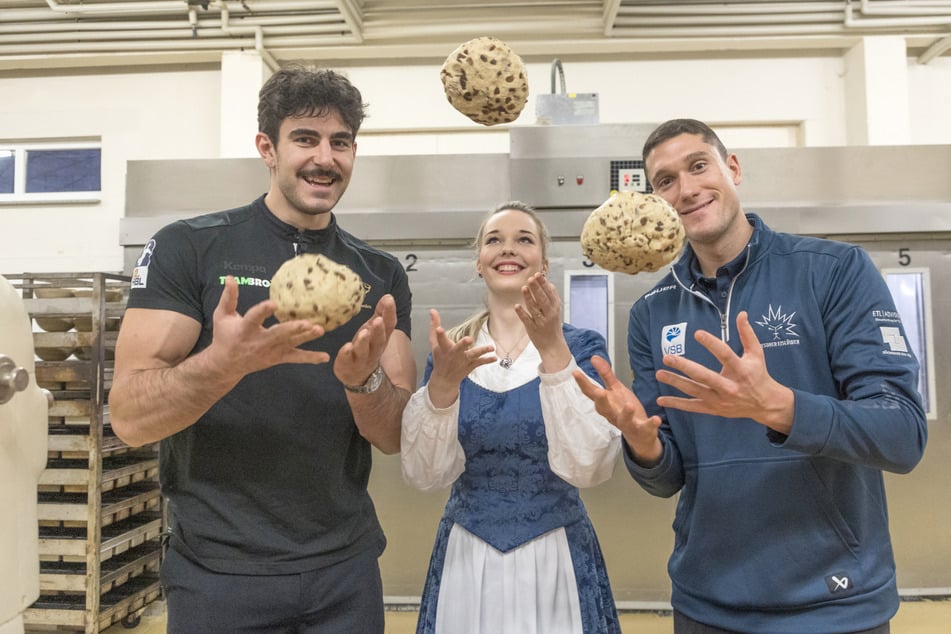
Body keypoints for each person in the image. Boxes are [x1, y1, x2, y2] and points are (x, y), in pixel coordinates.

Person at [574, 118, 928, 634]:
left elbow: (902, 434)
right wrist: (642, 443)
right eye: (665, 181)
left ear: (733, 168)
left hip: (834, 603)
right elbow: (667, 478)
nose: (686, 189)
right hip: (706, 604)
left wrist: (781, 408)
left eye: (698, 166)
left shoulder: (833, 270)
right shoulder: (652, 312)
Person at [109, 67, 416, 633]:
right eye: (305, 138)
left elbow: (397, 435)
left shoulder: (379, 274)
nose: (325, 158)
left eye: (340, 142)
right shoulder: (189, 248)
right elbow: (129, 416)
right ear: (267, 149)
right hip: (219, 573)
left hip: (344, 571)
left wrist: (364, 381)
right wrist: (220, 366)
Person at [401, 201, 623, 634]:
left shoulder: (582, 347)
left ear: (543, 262)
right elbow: (424, 474)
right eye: (494, 240)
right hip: (468, 559)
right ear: (478, 262)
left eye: (524, 239)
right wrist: (441, 387)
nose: (508, 249)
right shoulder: (453, 353)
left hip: (556, 555)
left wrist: (553, 350)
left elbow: (591, 466)